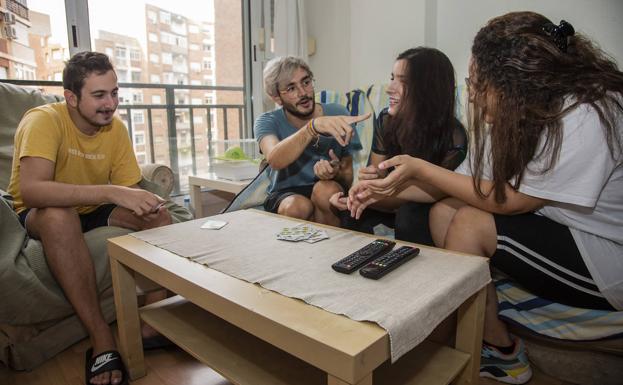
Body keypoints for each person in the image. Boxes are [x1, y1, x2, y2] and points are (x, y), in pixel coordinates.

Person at [348, 12, 622, 384]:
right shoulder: (514, 115)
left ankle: (491, 347)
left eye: (479, 84)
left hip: (607, 254)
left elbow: (513, 201)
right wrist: (380, 189)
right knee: (443, 212)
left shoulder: (588, 110)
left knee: (470, 222)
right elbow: (458, 183)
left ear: (516, 85)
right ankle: (496, 339)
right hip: (561, 230)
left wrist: (420, 168)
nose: (473, 95)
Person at [7, 51, 173, 385]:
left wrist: (140, 200)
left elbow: (127, 191)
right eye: (99, 95)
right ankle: (101, 338)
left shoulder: (116, 129)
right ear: (71, 97)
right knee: (57, 216)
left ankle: (151, 323)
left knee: (159, 216)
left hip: (92, 210)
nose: (110, 103)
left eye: (114, 93)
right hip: (39, 212)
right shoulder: (43, 120)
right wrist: (112, 192)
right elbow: (34, 192)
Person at [330, 47, 467, 244]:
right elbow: (379, 174)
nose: (389, 88)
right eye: (392, 77)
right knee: (351, 210)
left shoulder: (454, 136)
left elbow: (437, 191)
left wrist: (375, 191)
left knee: (409, 214)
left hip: (425, 204)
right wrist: (369, 183)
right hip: (391, 198)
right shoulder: (386, 120)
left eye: (402, 81)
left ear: (427, 89)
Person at [254, 56, 369, 226]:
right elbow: (274, 159)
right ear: (276, 97)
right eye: (291, 88)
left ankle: (328, 249)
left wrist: (335, 173)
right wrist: (312, 127)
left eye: (306, 82)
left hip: (327, 189)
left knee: (326, 191)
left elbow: (347, 178)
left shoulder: (337, 112)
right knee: (296, 207)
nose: (303, 93)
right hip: (285, 194)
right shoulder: (267, 121)